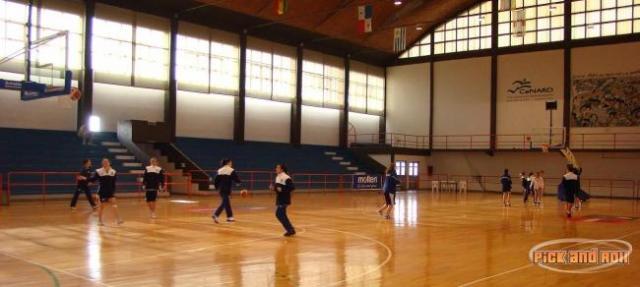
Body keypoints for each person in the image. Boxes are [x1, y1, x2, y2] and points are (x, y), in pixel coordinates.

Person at [212, 159, 247, 223]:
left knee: (226, 203)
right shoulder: (231, 170)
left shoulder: (219, 170)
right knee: (225, 203)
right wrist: (240, 184)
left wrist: (216, 187)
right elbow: (236, 179)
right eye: (231, 163)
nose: (231, 164)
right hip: (226, 189)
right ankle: (216, 215)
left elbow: (216, 181)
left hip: (221, 189)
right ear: (228, 163)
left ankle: (229, 218)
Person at [90, 158, 123, 226]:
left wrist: (113, 191)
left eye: (107, 162)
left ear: (109, 163)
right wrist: (86, 179)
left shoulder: (113, 171)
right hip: (102, 191)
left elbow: (114, 183)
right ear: (102, 163)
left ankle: (118, 219)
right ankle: (99, 221)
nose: (105, 163)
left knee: (114, 205)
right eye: (104, 162)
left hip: (110, 191)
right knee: (102, 207)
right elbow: (93, 179)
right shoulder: (98, 171)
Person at [270, 163, 296, 237]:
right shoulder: (278, 177)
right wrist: (273, 188)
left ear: (282, 169)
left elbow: (292, 187)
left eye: (277, 168)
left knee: (279, 214)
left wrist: (282, 189)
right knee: (281, 214)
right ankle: (291, 230)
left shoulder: (286, 177)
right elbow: (278, 189)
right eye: (276, 167)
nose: (276, 169)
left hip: (284, 199)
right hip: (279, 198)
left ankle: (290, 230)